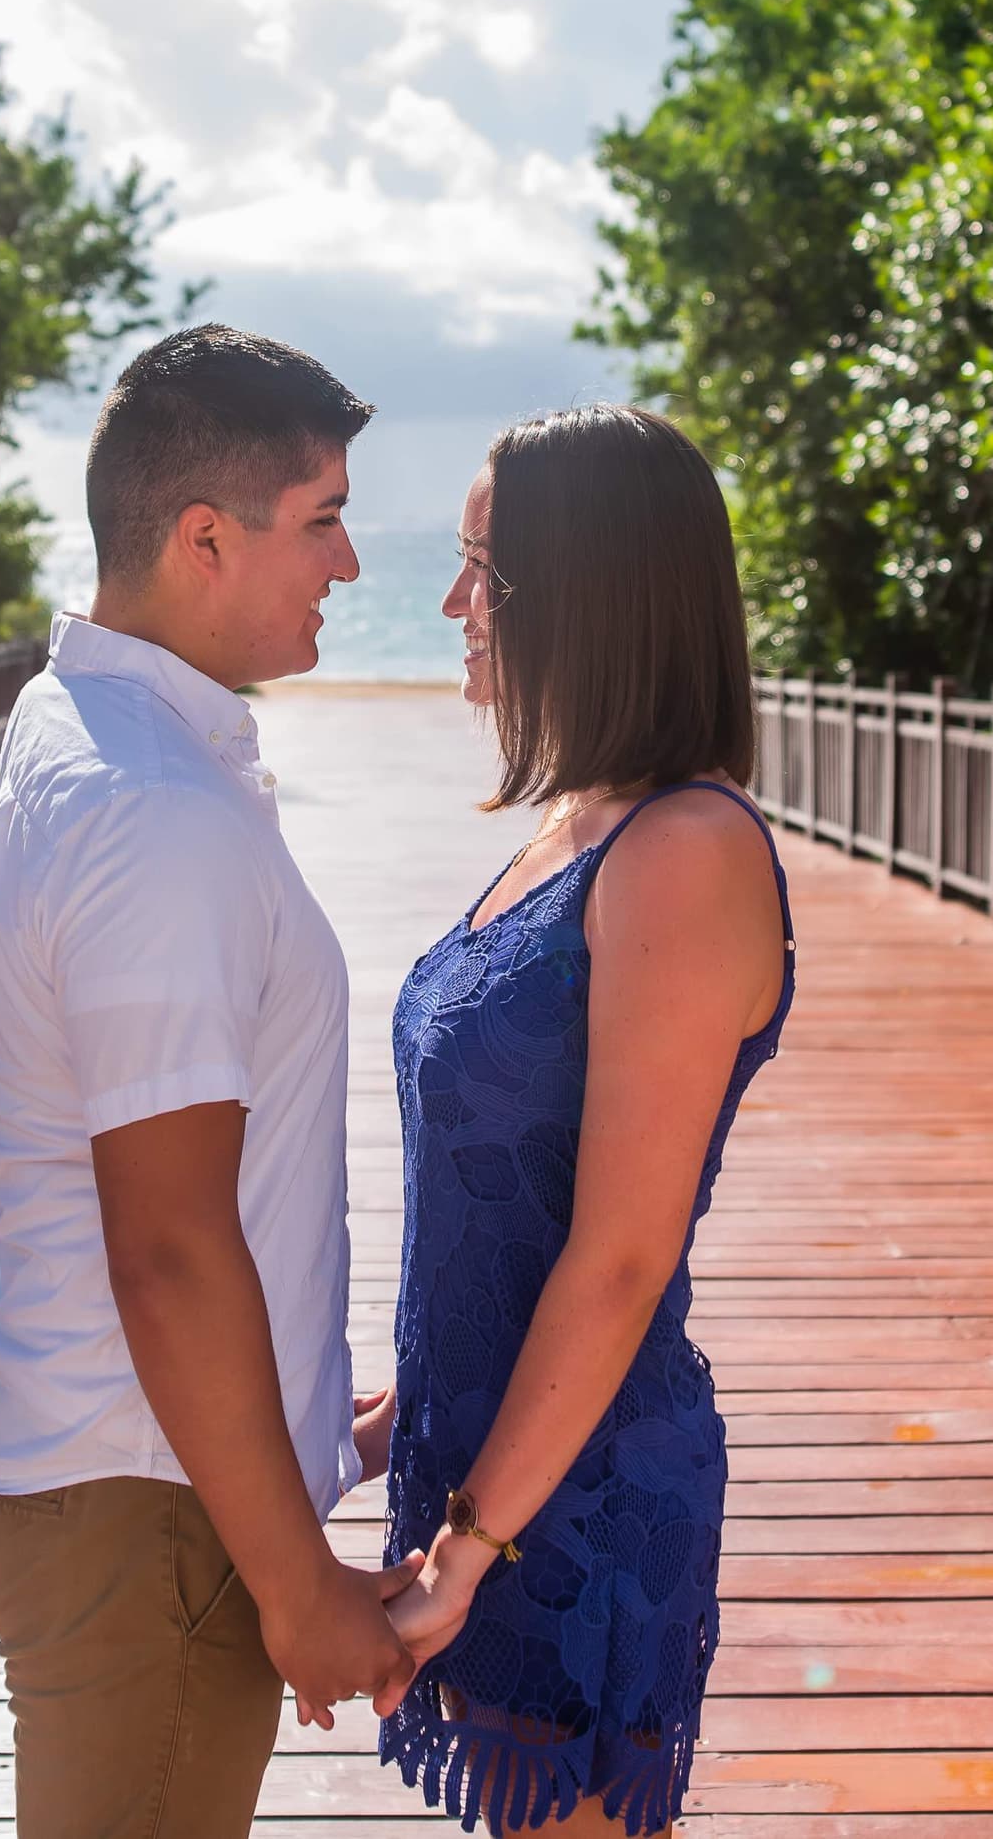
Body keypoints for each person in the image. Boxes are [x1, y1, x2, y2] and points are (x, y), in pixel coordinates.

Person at [0, 324, 414, 1838]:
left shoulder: (91, 728)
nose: (346, 563)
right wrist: (298, 1586)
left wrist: (326, 1413)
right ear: (205, 536)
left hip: (114, 1467)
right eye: (322, 517)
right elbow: (168, 1241)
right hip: (139, 1504)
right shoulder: (153, 810)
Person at [370, 404, 795, 1834]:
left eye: (485, 564)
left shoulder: (683, 855)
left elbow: (618, 1258)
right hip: (489, 1469)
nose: (453, 603)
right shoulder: (574, 831)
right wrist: (391, 1425)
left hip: (570, 1507)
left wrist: (465, 1552)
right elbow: (507, 1192)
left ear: (593, 591)